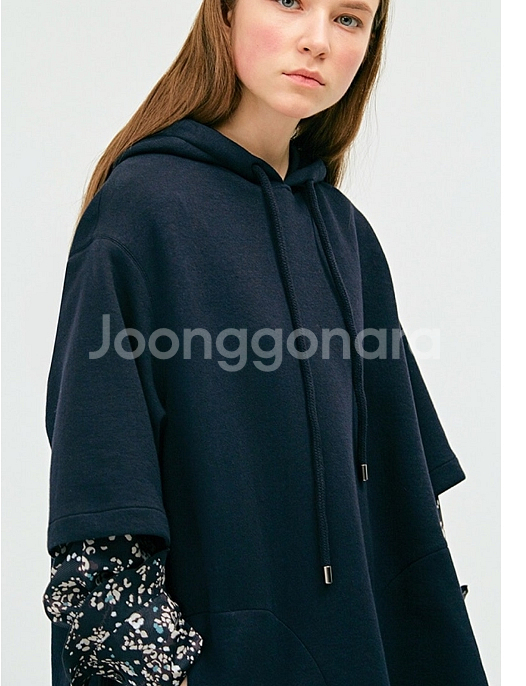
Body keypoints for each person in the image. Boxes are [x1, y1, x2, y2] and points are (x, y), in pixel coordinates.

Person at [42, 0, 489, 684]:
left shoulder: (349, 237)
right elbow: (102, 505)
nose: (317, 40)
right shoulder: (139, 214)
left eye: (349, 18)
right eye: (288, 0)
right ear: (224, 12)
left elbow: (403, 501)